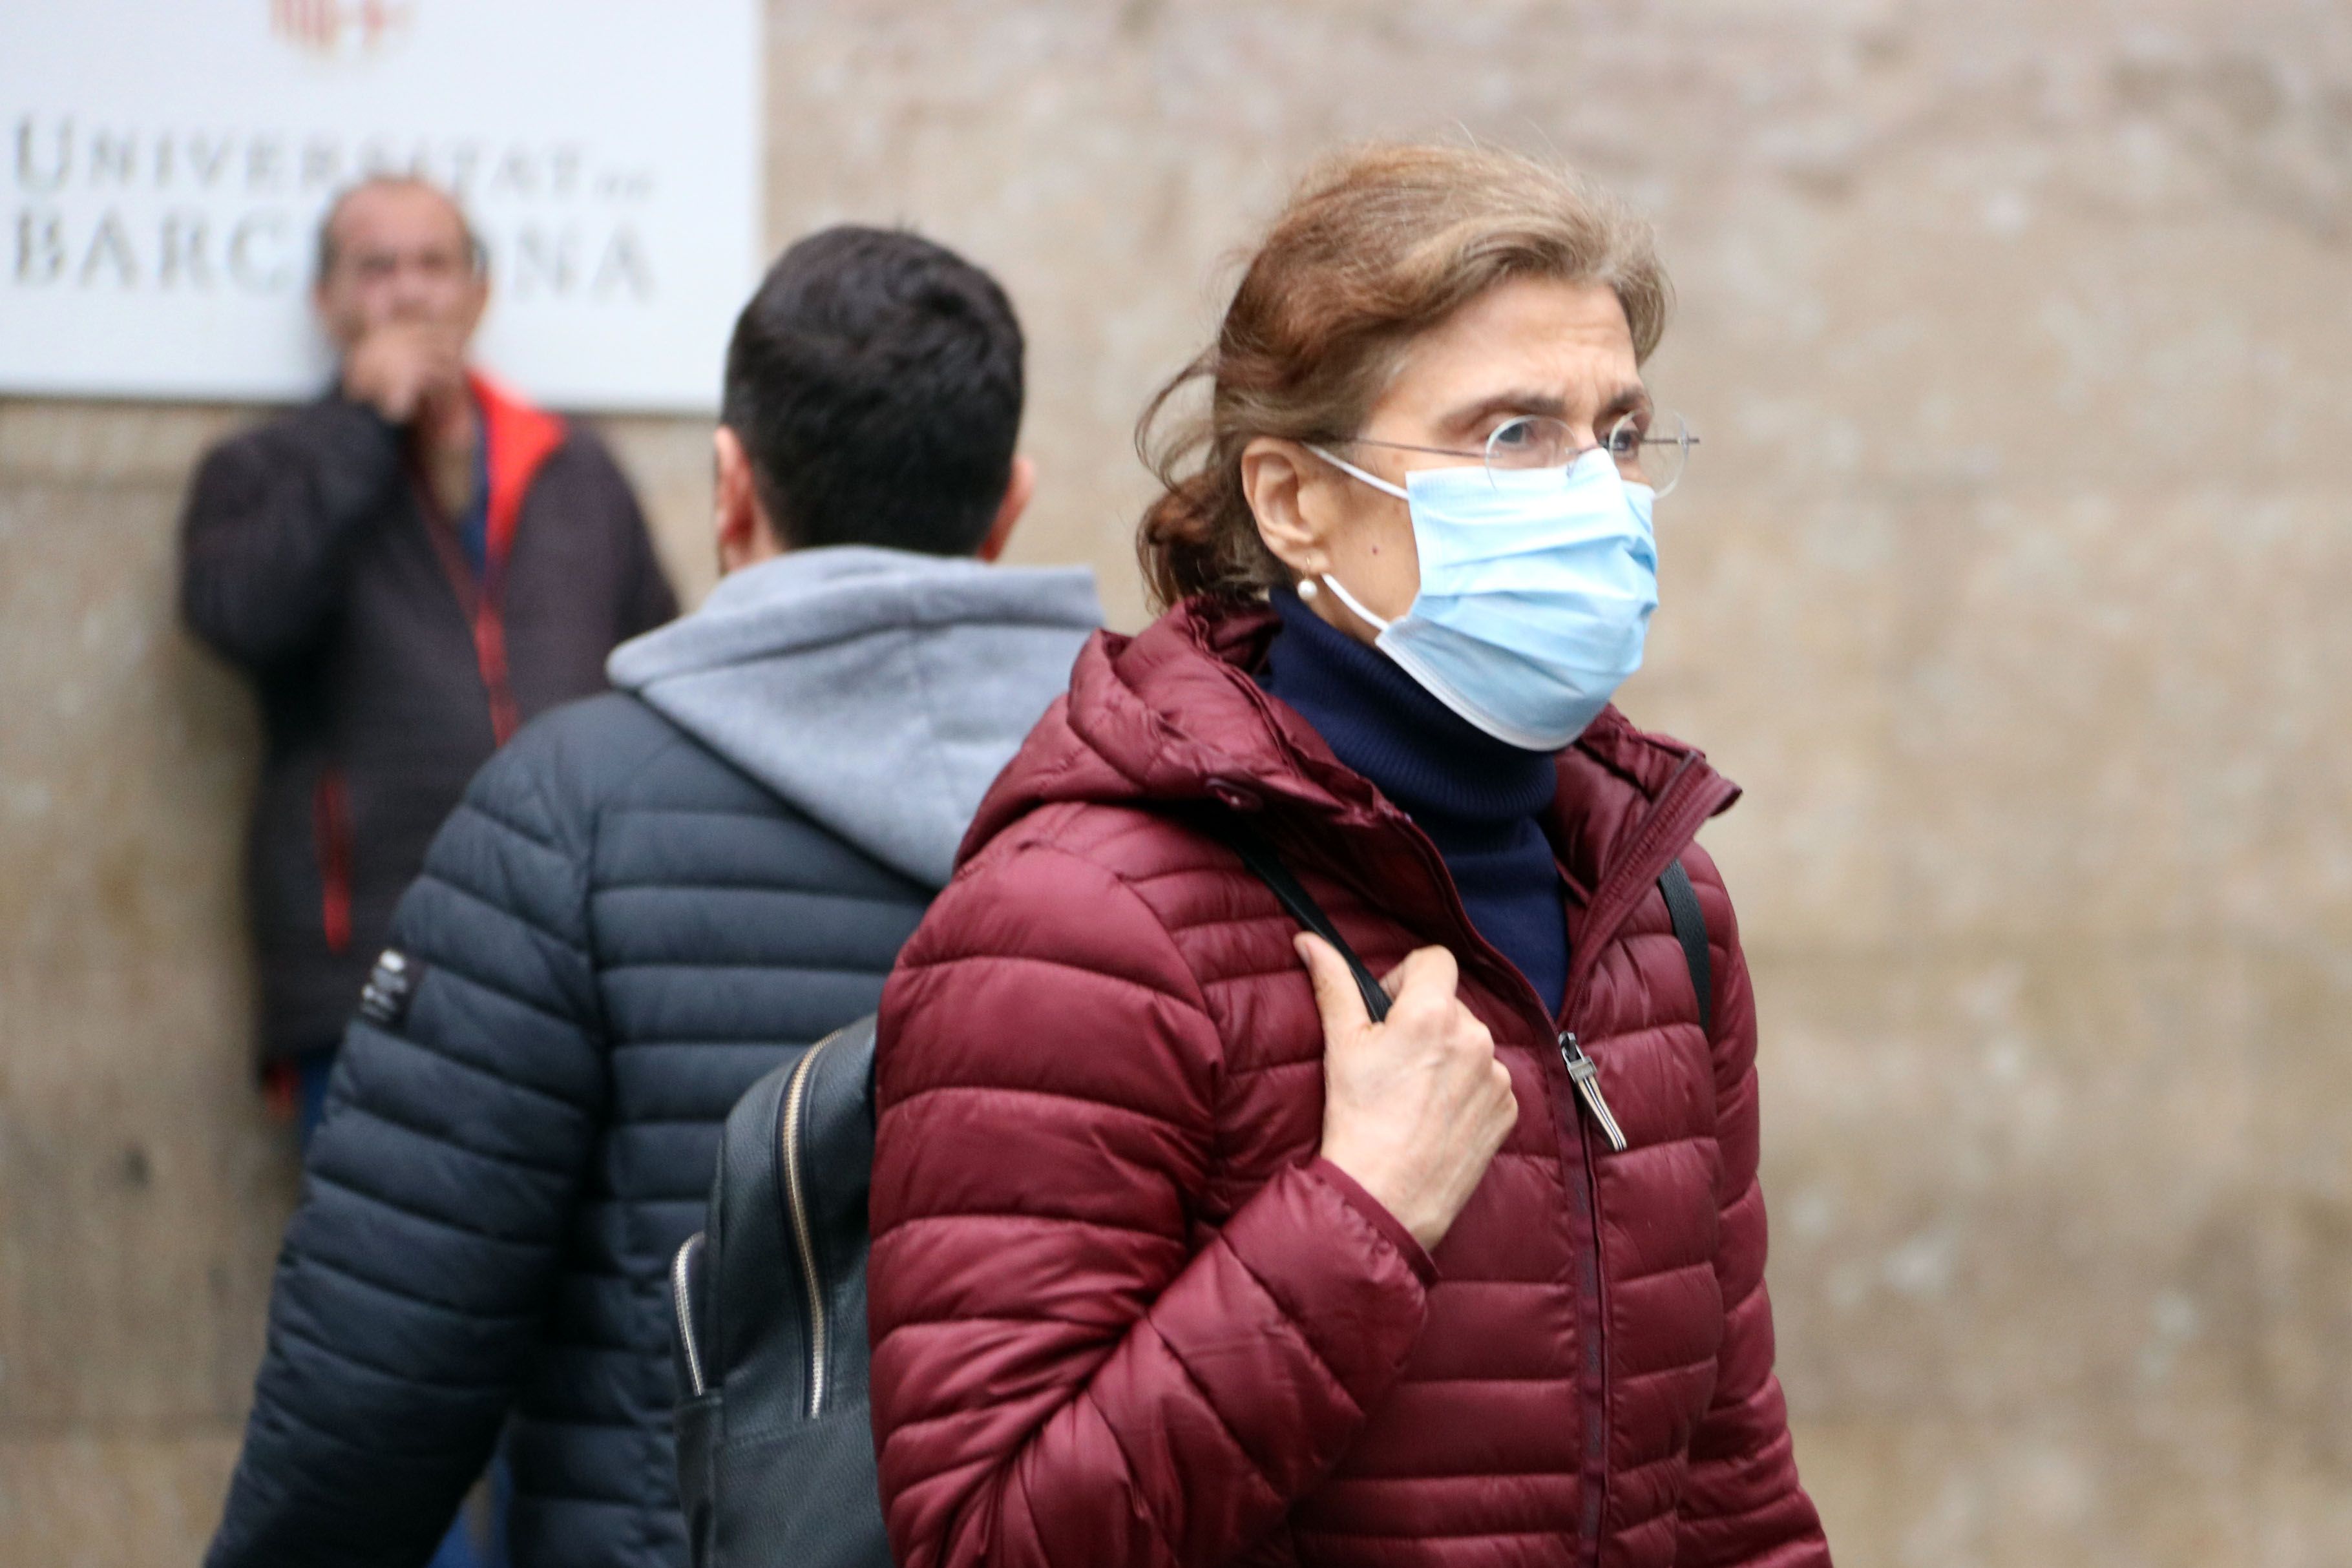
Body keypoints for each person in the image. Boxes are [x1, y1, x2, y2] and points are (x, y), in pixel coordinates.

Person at [867, 143, 1831, 1568]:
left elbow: (1732, 1485)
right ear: (1294, 500)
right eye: (1510, 436)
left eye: (1616, 435)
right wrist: (1355, 1213)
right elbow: (985, 1538)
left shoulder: (1657, 900)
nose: (1591, 494)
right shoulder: (1081, 917)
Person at [201, 224, 1101, 1568]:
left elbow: (382, 1367)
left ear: (728, 489)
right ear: (1011, 500)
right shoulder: (1166, 787)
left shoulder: (563, 808)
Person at [179, 174, 677, 1143]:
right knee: (377, 1286)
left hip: (572, 966)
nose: (409, 293)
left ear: (479, 293)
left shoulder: (576, 468)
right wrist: (362, 431)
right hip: (367, 970)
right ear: (326, 304)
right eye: (376, 268)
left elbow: (654, 676)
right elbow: (239, 615)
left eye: (434, 264)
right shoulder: (263, 470)